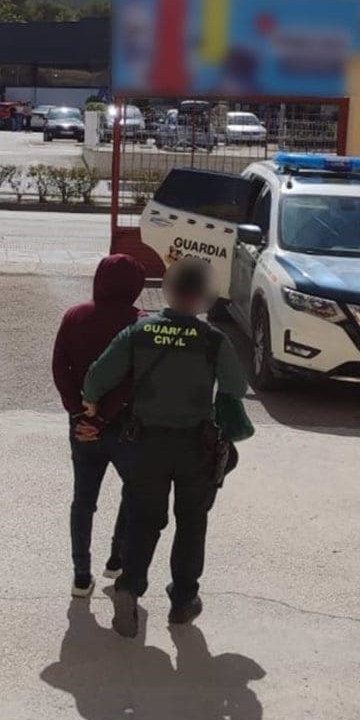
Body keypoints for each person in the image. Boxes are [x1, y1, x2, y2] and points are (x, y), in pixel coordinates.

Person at [82, 258, 248, 638]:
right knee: (192, 522)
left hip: (146, 444)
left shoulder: (139, 332)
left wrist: (91, 402)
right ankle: (183, 600)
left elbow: (98, 377)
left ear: (168, 291)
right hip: (196, 446)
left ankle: (129, 587)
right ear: (204, 296)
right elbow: (236, 386)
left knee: (143, 520)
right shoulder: (212, 340)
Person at [52, 254, 146, 598]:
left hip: (82, 426)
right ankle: (116, 559)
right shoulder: (141, 324)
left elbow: (60, 369)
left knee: (83, 499)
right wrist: (105, 416)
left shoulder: (74, 317)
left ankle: (81, 576)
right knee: (133, 492)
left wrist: (81, 414)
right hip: (126, 426)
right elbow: (134, 379)